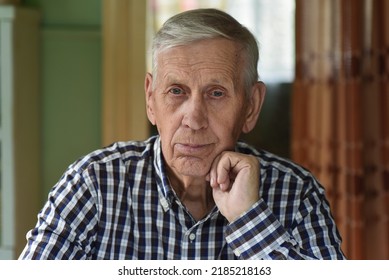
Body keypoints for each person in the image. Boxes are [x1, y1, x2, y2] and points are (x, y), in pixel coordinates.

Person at [19, 8, 345, 260]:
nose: (194, 119)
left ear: (251, 106)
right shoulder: (93, 184)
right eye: (176, 91)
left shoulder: (297, 194)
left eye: (216, 93)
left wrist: (250, 219)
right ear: (151, 99)